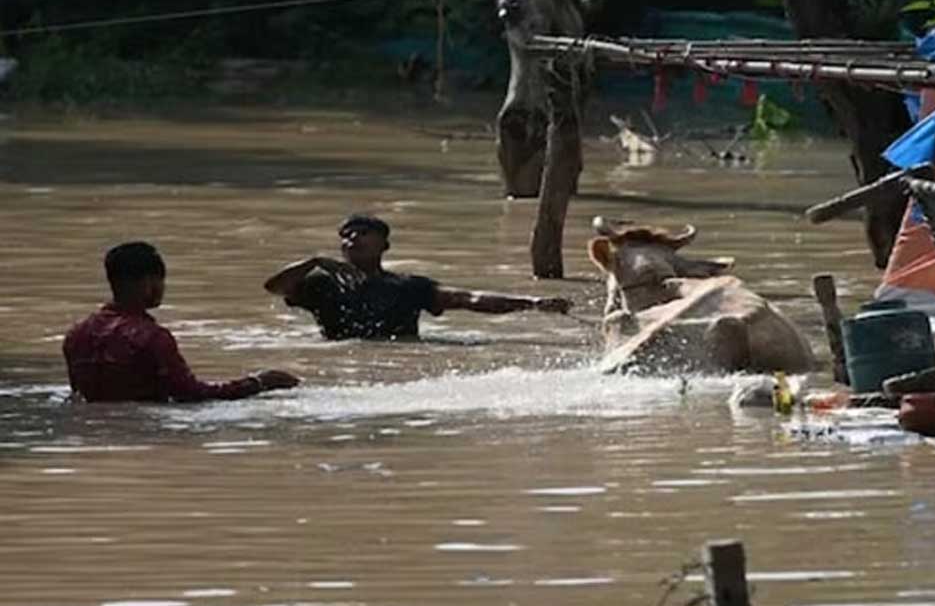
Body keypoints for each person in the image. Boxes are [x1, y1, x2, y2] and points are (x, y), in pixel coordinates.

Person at [264, 214, 573, 340]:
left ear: (384, 245)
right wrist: (314, 262)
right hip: (342, 361)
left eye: (363, 233)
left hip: (399, 360)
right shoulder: (322, 285)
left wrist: (532, 303)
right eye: (346, 235)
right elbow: (274, 287)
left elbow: (467, 299)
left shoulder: (408, 286)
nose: (353, 238)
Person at [63, 242, 300, 403]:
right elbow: (191, 395)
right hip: (145, 432)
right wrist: (259, 383)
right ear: (149, 282)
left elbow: (79, 396)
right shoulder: (150, 336)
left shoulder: (77, 334)